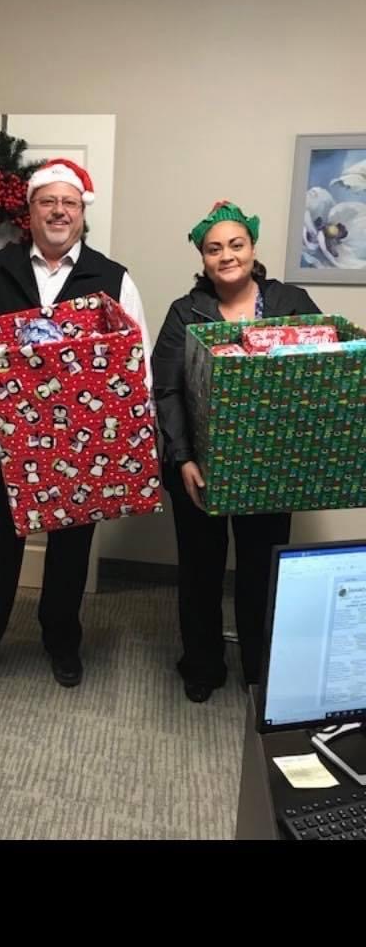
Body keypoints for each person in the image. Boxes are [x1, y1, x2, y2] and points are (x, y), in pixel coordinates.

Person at [0, 159, 152, 692]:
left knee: (70, 549)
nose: (59, 212)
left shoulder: (114, 277)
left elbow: (138, 362)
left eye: (70, 203)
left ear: (82, 212)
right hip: (8, 439)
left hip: (84, 443)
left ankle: (62, 640)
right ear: (30, 210)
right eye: (48, 202)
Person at [152, 200, 321, 702]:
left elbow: (323, 366)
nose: (226, 255)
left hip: (271, 465)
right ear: (203, 258)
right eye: (214, 248)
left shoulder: (291, 301)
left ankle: (257, 667)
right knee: (200, 569)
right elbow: (167, 388)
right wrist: (182, 457)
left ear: (252, 248)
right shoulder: (186, 312)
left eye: (236, 244)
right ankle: (202, 664)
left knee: (261, 570)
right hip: (199, 467)